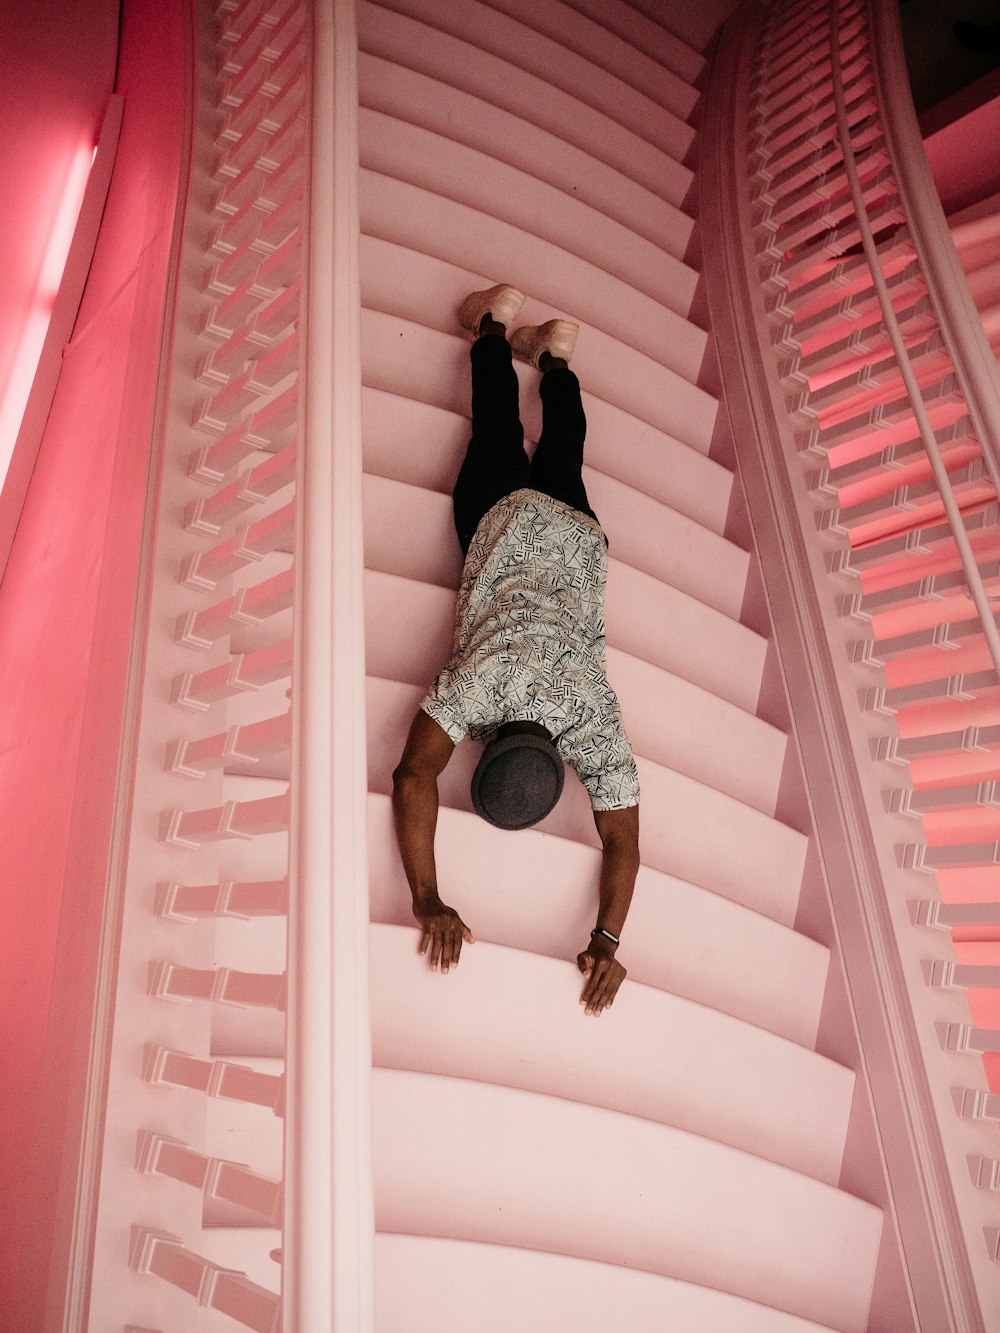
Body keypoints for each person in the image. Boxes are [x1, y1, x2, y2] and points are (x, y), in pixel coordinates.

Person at [391, 284, 641, 1017]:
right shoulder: (478, 689)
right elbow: (413, 777)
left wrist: (608, 937)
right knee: (496, 429)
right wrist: (428, 896)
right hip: (504, 517)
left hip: (575, 535)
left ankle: (557, 362)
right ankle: (495, 327)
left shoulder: (591, 714)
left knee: (564, 453)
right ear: (488, 743)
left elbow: (623, 837)